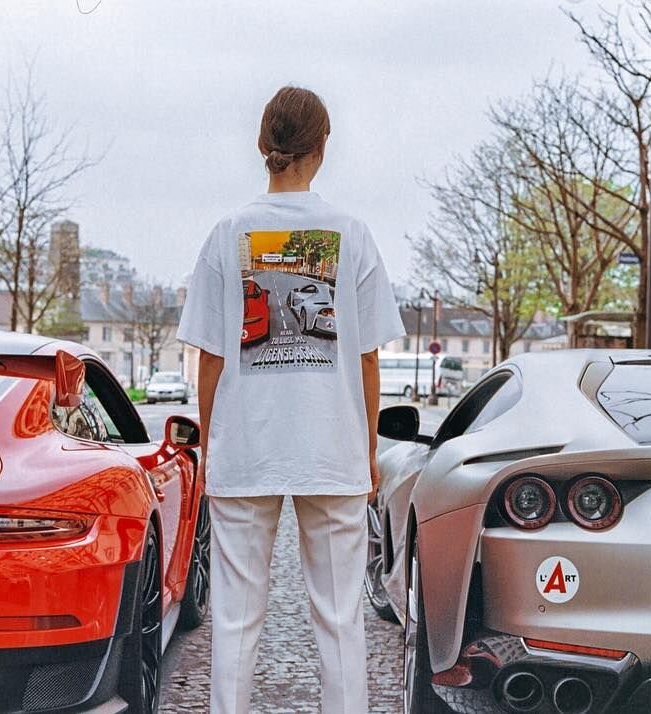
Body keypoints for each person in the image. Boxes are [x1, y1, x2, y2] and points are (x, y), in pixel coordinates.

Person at [176, 85, 405, 714]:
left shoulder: (228, 234)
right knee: (339, 619)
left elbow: (211, 361)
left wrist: (210, 446)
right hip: (331, 446)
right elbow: (366, 359)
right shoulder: (352, 234)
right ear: (322, 147)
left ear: (262, 145)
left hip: (246, 449)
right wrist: (367, 454)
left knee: (236, 619)